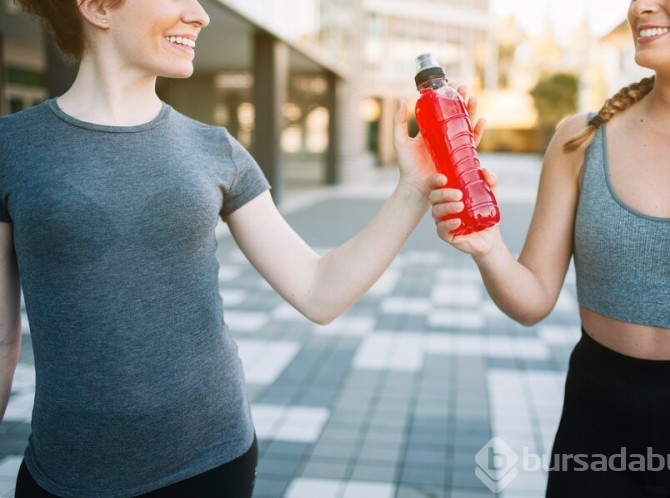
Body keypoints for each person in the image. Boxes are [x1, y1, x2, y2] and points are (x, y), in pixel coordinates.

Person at [0, 0, 483, 496]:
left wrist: (413, 187)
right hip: (64, 472)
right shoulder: (11, 148)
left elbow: (319, 291)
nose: (200, 14)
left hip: (212, 460)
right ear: (99, 7)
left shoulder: (216, 149)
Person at [429, 0, 670, 496]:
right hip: (597, 422)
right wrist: (487, 248)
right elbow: (532, 300)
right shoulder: (581, 139)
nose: (641, 7)